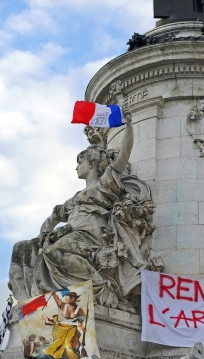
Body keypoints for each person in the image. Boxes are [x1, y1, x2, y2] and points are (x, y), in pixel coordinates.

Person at [9, 105, 149, 312]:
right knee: (22, 248)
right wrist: (43, 235)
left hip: (91, 237)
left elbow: (124, 155)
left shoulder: (104, 185)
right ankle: (30, 304)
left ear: (92, 164)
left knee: (54, 251)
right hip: (74, 236)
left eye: (80, 162)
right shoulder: (74, 199)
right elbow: (54, 217)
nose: (76, 167)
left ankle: (101, 286)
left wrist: (129, 125)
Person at [44, 291, 86, 359]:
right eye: (65, 299)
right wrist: (53, 294)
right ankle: (46, 357)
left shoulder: (79, 310)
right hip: (60, 328)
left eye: (67, 299)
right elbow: (57, 299)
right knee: (56, 343)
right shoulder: (63, 305)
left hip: (71, 328)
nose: (66, 300)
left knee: (68, 345)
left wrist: (82, 327)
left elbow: (81, 321)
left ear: (73, 299)